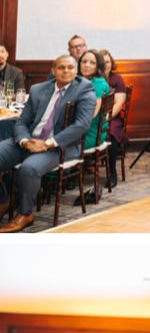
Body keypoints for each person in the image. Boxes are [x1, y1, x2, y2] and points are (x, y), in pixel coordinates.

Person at [0, 53, 98, 232]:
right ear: (53, 70)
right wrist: (24, 141)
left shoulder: (85, 89)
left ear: (76, 70)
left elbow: (81, 126)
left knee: (29, 168)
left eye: (70, 67)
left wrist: (48, 144)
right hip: (30, 141)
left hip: (61, 146)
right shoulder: (39, 89)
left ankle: (25, 214)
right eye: (61, 67)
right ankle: (3, 200)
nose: (66, 71)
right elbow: (22, 121)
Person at [94, 48, 130, 182]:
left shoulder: (117, 79)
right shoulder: (93, 79)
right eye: (103, 62)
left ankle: (112, 172)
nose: (106, 64)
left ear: (111, 62)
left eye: (108, 61)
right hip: (93, 116)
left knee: (111, 132)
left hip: (111, 117)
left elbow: (119, 103)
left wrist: (105, 118)